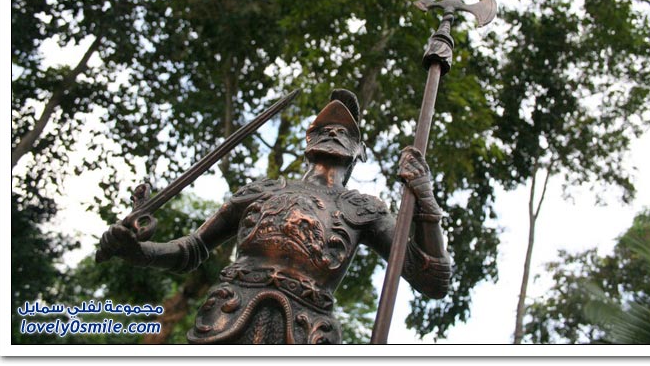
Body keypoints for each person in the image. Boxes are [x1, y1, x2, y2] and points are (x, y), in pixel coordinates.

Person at [98, 89, 451, 344]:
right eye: (322, 129)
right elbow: (193, 248)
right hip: (225, 317)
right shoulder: (262, 190)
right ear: (307, 141)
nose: (332, 132)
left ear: (359, 151)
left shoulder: (363, 209)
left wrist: (425, 201)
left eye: (345, 132)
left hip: (307, 333)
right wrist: (140, 252)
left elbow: (432, 280)